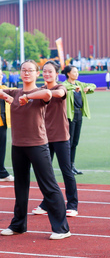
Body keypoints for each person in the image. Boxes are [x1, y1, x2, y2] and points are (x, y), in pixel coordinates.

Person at [0, 60, 71, 240]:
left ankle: (62, 229)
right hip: (18, 146)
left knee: (48, 186)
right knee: (20, 187)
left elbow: (47, 93)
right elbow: (4, 93)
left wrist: (28, 97)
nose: (26, 73)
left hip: (37, 145)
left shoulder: (40, 93)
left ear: (37, 74)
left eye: (30, 70)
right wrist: (9, 96)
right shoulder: (15, 92)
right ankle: (18, 225)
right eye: (23, 70)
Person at [32, 60, 79, 217]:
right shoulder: (40, 90)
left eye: (50, 71)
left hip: (60, 136)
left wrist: (45, 93)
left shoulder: (61, 87)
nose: (47, 74)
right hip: (43, 137)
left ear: (56, 74)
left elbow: (58, 94)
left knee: (66, 171)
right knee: (45, 173)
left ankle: (72, 204)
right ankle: (47, 203)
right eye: (44, 71)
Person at [62, 65, 96, 175]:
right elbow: (64, 90)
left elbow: (93, 85)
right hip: (70, 116)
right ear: (68, 74)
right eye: (74, 72)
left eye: (77, 72)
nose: (77, 74)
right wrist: (73, 89)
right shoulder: (64, 85)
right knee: (69, 142)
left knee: (75, 142)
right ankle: (67, 167)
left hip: (79, 114)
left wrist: (88, 88)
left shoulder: (79, 84)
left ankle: (72, 165)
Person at [0, 76, 13, 182]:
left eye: (0, 74)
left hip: (2, 123)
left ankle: (1, 172)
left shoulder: (5, 89)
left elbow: (18, 91)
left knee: (1, 148)